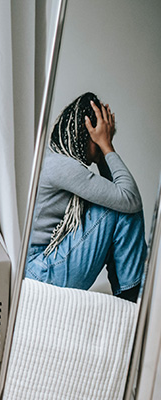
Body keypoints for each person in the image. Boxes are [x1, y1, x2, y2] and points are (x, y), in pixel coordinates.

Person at [26, 92, 146, 302]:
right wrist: (106, 147)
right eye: (100, 138)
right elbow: (129, 198)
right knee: (123, 209)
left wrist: (102, 154)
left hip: (39, 268)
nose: (103, 144)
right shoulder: (62, 166)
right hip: (40, 273)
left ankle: (131, 295)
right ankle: (133, 296)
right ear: (87, 134)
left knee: (121, 205)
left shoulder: (56, 158)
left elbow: (119, 194)